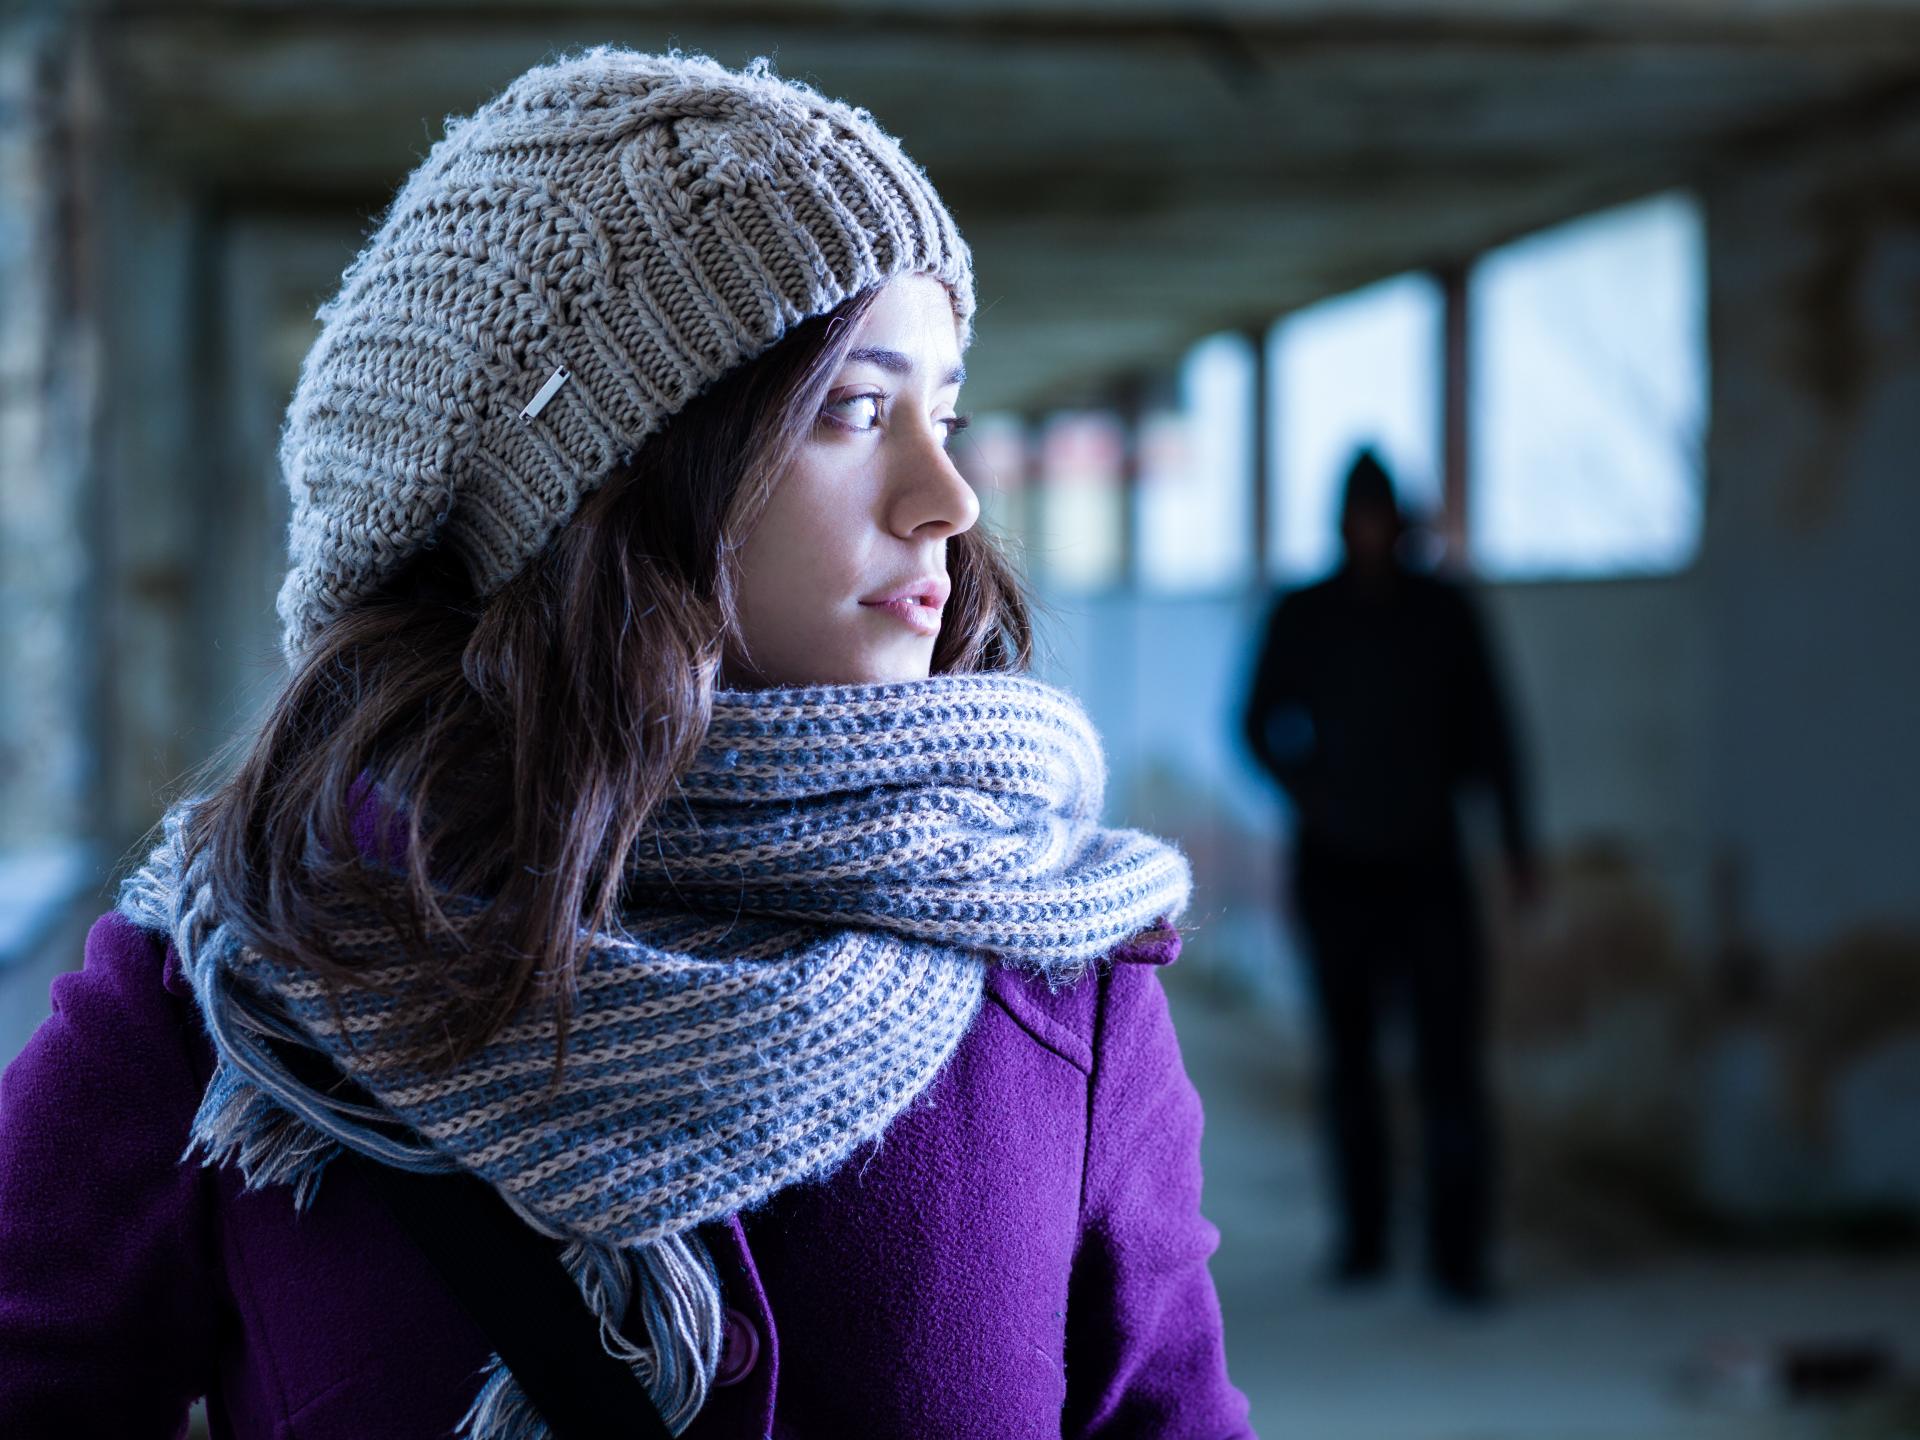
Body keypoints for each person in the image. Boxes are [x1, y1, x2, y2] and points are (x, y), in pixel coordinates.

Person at [0, 48, 1254, 1438]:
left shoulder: (1055, 986)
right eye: (853, 409)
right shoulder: (247, 985)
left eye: (943, 410)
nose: (947, 495)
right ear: (600, 483)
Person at [1241, 448, 1536, 1308]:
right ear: (1341, 521)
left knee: (1449, 1065)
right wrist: (1316, 797)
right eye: (1357, 513)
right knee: (1350, 1063)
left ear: (1398, 518)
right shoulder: (1305, 612)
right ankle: (1364, 1239)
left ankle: (1459, 1257)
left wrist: (1519, 849)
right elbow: (1256, 723)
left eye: (1381, 513)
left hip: (1430, 867)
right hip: (1335, 872)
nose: (1370, 528)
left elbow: (1495, 736)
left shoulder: (1445, 613)